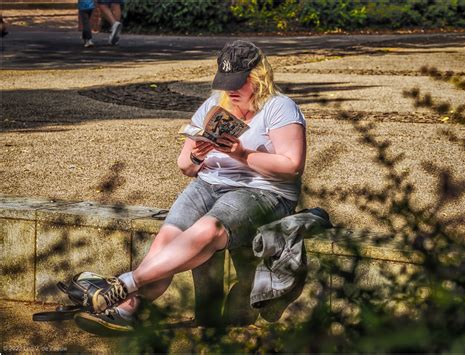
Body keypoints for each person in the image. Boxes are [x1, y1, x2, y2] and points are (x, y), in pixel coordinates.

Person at [73, 40, 307, 335]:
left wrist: (241, 154)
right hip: (209, 183)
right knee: (166, 241)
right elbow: (185, 166)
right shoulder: (214, 105)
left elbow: (291, 165)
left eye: (238, 82)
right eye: (225, 82)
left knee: (209, 230)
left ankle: (124, 286)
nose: (231, 90)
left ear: (257, 76)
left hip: (263, 191)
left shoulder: (279, 107)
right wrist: (199, 153)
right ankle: (127, 309)